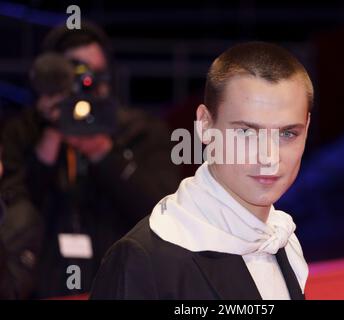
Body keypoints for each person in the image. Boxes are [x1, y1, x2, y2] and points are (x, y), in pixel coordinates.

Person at [90, 41, 313, 300]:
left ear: (306, 128)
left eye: (287, 133)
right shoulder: (144, 259)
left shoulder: (284, 240)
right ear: (205, 125)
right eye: (246, 132)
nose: (269, 157)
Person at [0, 23, 180, 299]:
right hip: (40, 287)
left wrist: (103, 152)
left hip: (124, 286)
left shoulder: (141, 131)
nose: (85, 85)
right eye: (73, 74)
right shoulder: (22, 132)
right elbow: (16, 213)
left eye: (94, 75)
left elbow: (162, 213)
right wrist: (52, 135)